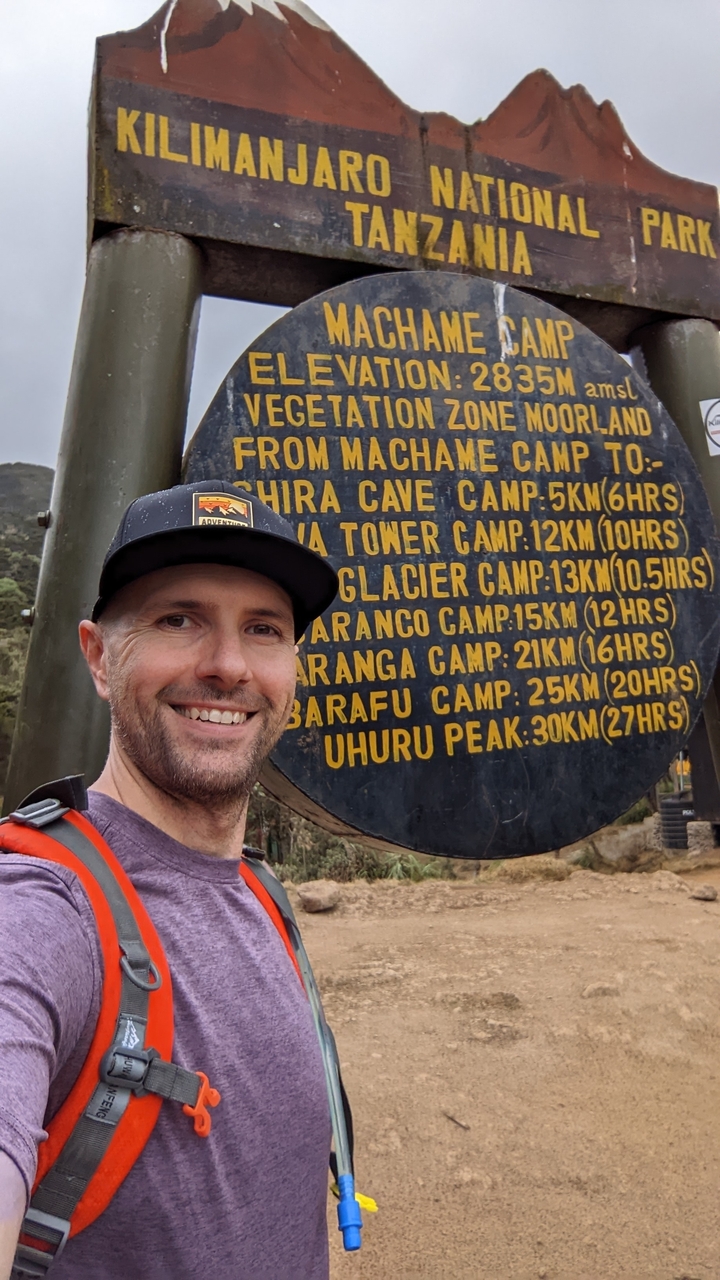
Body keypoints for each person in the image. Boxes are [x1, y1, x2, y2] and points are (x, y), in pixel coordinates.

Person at [0, 481, 342, 1280]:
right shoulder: (45, 909)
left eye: (264, 628)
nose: (227, 666)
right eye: (178, 619)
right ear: (98, 657)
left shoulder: (258, 891)